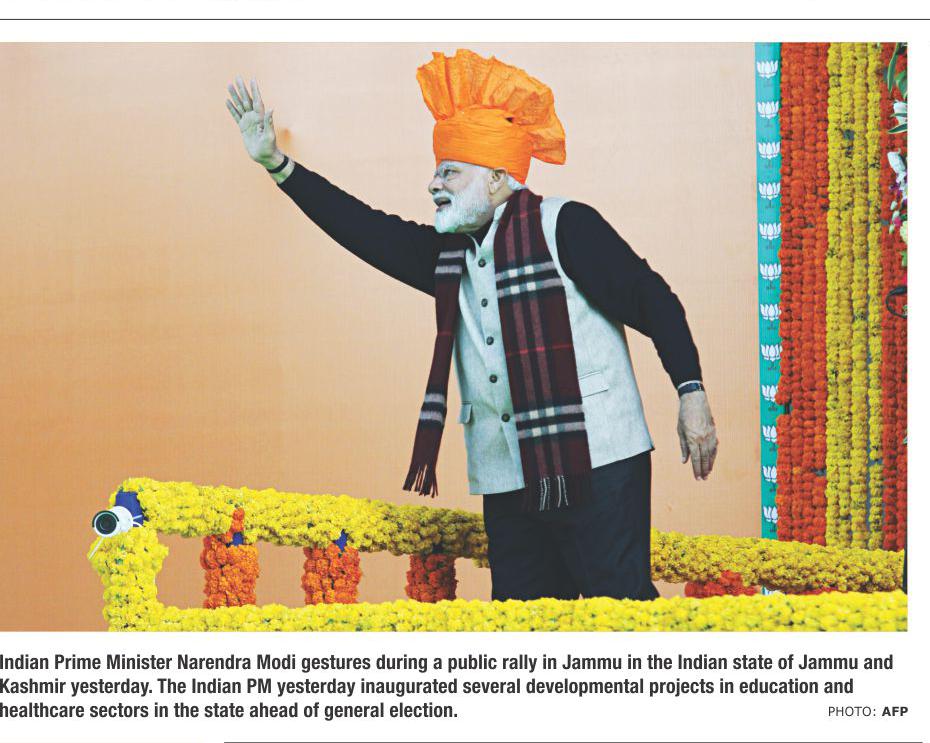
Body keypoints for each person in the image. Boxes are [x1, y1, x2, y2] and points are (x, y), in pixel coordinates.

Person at [225, 49, 718, 602]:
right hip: (507, 478)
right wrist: (277, 164)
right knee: (521, 627)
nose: (434, 184)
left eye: (450, 172)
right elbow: (363, 228)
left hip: (598, 461)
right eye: (436, 170)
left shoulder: (567, 226)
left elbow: (654, 301)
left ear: (498, 177)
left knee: (618, 619)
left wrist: (691, 391)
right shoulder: (447, 257)